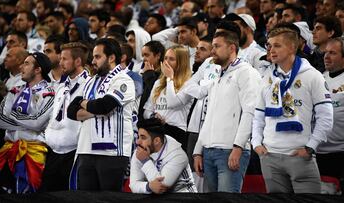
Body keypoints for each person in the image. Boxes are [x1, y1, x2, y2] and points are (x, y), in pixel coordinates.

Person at [251, 27, 334, 193]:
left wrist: (310, 147)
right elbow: (259, 114)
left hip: (300, 155)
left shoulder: (312, 76)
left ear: (292, 48)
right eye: (269, 45)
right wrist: (256, 143)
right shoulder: (268, 76)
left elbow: (326, 117)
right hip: (269, 156)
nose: (271, 50)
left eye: (277, 46)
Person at [192, 31, 262, 193]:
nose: (212, 51)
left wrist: (238, 148)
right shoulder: (217, 76)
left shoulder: (247, 73)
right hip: (208, 151)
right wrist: (197, 151)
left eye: (217, 46)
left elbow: (250, 112)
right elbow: (209, 116)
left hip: (230, 151)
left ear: (231, 48)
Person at [67, 38, 135, 191]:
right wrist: (94, 109)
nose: (92, 61)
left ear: (111, 58)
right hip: (86, 149)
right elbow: (71, 111)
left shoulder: (123, 80)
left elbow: (104, 106)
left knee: (108, 199)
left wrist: (84, 103)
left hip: (112, 153)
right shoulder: (91, 82)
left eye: (97, 57)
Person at [0, 52, 54, 194]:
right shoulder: (15, 90)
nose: (22, 66)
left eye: (27, 63)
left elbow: (39, 124)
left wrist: (14, 115)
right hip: (9, 148)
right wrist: (29, 121)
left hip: (33, 151)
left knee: (26, 194)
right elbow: (1, 121)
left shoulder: (50, 93)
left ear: (38, 69)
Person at [40, 42, 90, 192]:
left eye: (64, 59)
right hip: (53, 152)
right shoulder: (62, 86)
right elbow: (55, 115)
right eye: (60, 58)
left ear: (78, 61)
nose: (60, 62)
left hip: (74, 154)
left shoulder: (89, 85)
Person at [143, 45, 193, 151]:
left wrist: (170, 79)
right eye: (165, 58)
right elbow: (147, 110)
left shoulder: (190, 84)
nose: (166, 62)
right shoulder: (158, 83)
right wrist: (153, 116)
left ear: (181, 63)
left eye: (171, 59)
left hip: (176, 133)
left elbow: (172, 102)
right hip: (156, 131)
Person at [130, 118, 197, 194]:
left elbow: (161, 187)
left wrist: (145, 161)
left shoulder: (178, 155)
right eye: (138, 137)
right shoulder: (141, 151)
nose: (138, 142)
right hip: (159, 198)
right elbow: (133, 185)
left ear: (156, 141)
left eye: (143, 137)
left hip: (183, 195)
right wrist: (148, 186)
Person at [317, 37, 344, 192]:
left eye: (332, 53)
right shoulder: (320, 78)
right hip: (317, 151)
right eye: (325, 52)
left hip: (339, 153)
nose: (326, 56)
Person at [138, 41, 165, 121]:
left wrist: (149, 75)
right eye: (143, 55)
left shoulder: (164, 75)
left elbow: (150, 94)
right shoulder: (142, 71)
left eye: (147, 55)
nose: (144, 59)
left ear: (158, 55)